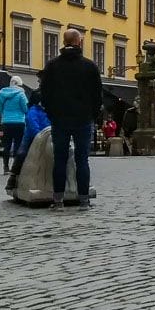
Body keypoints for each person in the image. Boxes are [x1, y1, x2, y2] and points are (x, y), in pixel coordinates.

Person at [40, 29, 102, 209]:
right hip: (83, 119)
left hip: (59, 119)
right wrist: (92, 114)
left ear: (64, 42)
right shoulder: (89, 66)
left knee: (60, 159)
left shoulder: (52, 66)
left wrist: (51, 113)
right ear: (79, 42)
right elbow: (97, 95)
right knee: (82, 160)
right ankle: (83, 200)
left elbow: (45, 93)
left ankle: (58, 200)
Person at [5, 93, 52, 192]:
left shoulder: (50, 111)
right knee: (22, 153)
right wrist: (40, 136)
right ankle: (13, 176)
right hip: (33, 138)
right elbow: (33, 126)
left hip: (49, 137)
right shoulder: (32, 112)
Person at [0, 75, 29, 174]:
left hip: (6, 122)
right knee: (18, 145)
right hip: (19, 122)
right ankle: (16, 167)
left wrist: (5, 114)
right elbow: (25, 108)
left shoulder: (2, 93)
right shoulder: (21, 94)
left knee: (6, 145)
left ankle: (6, 167)